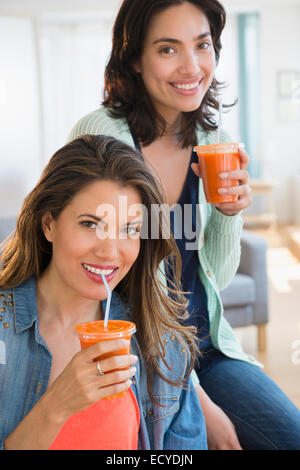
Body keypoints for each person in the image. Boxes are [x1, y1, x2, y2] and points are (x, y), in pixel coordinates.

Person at [68, 0, 300, 450]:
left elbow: (217, 274)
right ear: (134, 58)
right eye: (168, 49)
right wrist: (196, 396)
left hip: (209, 347)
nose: (191, 66)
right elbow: (108, 280)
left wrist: (230, 217)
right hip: (135, 350)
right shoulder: (99, 137)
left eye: (203, 45)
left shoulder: (218, 142)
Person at [0, 134, 208, 450]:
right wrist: (56, 405)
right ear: (49, 224)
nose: (111, 252)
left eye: (129, 229)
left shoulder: (162, 344)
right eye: (90, 224)